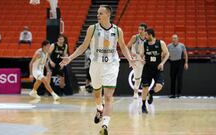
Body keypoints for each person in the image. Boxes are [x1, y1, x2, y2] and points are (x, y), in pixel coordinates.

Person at [60, 5, 135, 135]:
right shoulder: (92, 28)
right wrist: (70, 58)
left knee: (108, 96)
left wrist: (129, 59)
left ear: (107, 15)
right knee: (97, 93)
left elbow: (122, 46)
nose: (97, 15)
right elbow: (84, 46)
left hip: (111, 65)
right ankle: (99, 108)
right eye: (97, 13)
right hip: (96, 64)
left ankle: (105, 125)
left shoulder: (117, 30)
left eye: (100, 13)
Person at [139, 28, 169, 113]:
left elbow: (167, 54)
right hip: (147, 68)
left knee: (159, 86)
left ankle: (151, 93)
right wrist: (142, 59)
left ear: (150, 35)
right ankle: (144, 105)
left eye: (146, 35)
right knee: (145, 88)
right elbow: (141, 54)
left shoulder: (160, 43)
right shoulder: (144, 44)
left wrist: (162, 63)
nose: (145, 37)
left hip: (157, 68)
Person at [127, 23, 147, 98]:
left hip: (144, 59)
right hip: (136, 59)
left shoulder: (147, 39)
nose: (140, 31)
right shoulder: (135, 37)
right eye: (139, 29)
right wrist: (130, 57)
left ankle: (146, 92)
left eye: (142, 29)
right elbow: (127, 47)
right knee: (137, 77)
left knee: (145, 76)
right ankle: (135, 92)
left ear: (145, 31)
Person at [168, 34, 188, 98]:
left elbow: (185, 54)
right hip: (172, 63)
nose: (174, 39)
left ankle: (179, 93)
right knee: (172, 79)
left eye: (175, 38)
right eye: (173, 38)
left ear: (178, 39)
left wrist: (186, 63)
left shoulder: (182, 45)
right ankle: (172, 94)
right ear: (171, 39)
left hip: (180, 63)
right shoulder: (168, 46)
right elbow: (165, 54)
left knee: (179, 78)